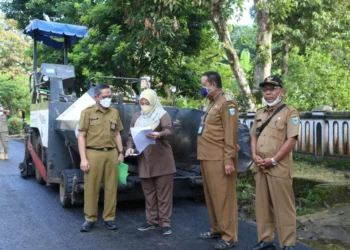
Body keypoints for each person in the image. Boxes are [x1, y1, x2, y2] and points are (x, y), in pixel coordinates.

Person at [249, 76, 299, 250]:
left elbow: (291, 140)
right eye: (265, 89)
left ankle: (288, 244)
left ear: (281, 91)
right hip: (260, 165)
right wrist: (254, 155)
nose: (268, 93)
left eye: (272, 89)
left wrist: (274, 159)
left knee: (283, 206)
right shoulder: (260, 112)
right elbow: (253, 135)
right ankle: (266, 240)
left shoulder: (289, 112)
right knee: (262, 205)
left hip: (278, 166)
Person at [197, 71, 239, 250]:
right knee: (211, 196)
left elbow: (230, 134)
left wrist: (229, 160)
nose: (202, 88)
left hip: (220, 158)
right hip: (207, 156)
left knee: (223, 198)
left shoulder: (227, 102)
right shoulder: (212, 102)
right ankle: (216, 228)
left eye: (204, 84)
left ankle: (229, 236)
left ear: (213, 85)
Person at [125, 88, 176, 235]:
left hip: (162, 159)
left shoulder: (162, 114)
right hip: (144, 160)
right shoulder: (137, 117)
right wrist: (129, 148)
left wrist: (159, 134)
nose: (144, 105)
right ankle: (152, 221)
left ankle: (165, 223)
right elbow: (130, 136)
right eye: (142, 102)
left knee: (163, 194)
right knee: (149, 193)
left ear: (153, 102)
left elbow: (170, 131)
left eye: (147, 102)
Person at [78, 83, 124, 232]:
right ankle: (90, 218)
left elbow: (117, 134)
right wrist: (83, 159)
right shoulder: (87, 112)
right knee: (91, 188)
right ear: (96, 97)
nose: (108, 99)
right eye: (105, 97)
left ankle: (109, 218)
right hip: (93, 153)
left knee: (111, 187)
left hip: (111, 153)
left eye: (110, 96)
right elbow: (81, 136)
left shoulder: (114, 113)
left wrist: (121, 152)